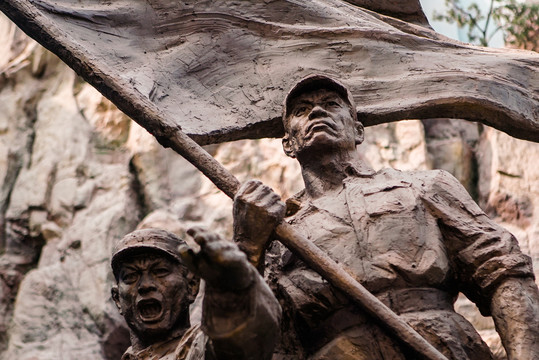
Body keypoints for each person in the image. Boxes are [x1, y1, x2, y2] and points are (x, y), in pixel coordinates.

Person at [232, 75, 539, 359]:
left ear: (358, 130)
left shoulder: (426, 186)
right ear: (289, 144)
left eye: (330, 104)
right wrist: (248, 248)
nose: (316, 112)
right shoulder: (277, 235)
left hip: (445, 346)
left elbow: (503, 273)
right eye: (301, 110)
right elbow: (259, 343)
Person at [111, 227, 281, 360]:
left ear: (192, 285)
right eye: (131, 276)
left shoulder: (199, 349)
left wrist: (232, 288)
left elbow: (237, 346)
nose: (145, 285)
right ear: (117, 299)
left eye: (160, 271)